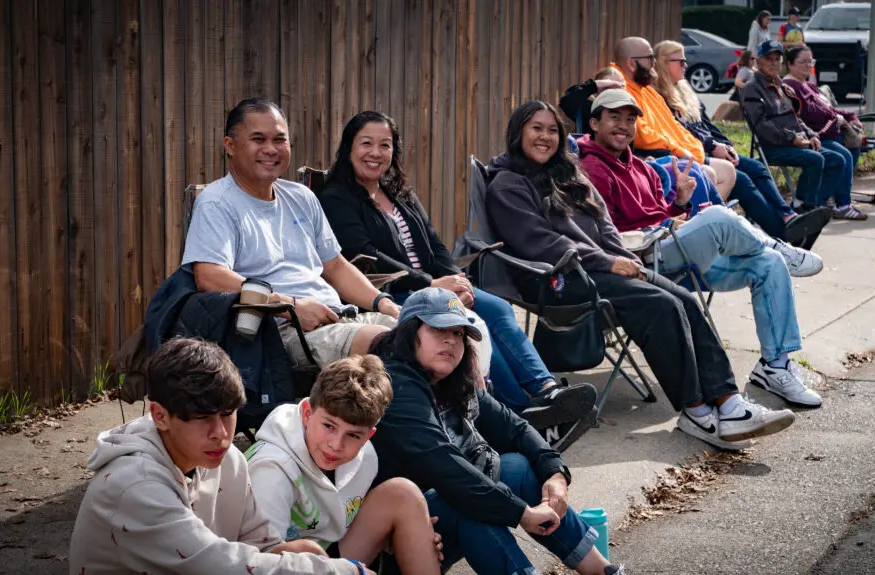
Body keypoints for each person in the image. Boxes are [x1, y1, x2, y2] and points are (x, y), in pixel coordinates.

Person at [486, 100, 799, 450]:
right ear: (518, 133)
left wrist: (624, 260)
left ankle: (729, 403)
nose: (545, 137)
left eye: (552, 130)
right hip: (556, 279)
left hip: (595, 268)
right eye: (536, 128)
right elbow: (541, 242)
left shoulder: (567, 173)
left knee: (683, 299)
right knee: (659, 306)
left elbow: (605, 228)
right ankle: (695, 410)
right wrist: (608, 262)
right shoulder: (507, 184)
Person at [316, 111, 596, 449]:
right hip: (392, 292)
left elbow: (434, 243)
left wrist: (455, 278)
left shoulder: (400, 193)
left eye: (385, 145)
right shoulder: (335, 198)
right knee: (475, 324)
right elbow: (364, 254)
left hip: (437, 286)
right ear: (349, 147)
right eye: (366, 144)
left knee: (497, 308)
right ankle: (519, 412)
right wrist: (430, 285)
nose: (375, 153)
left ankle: (545, 390)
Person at [578, 89, 823, 406]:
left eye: (630, 119)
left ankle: (775, 366)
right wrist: (665, 227)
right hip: (642, 264)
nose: (623, 126)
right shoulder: (592, 170)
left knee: (769, 263)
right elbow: (606, 236)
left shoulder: (637, 165)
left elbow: (658, 215)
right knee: (718, 216)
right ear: (594, 123)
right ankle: (777, 242)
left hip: (673, 255)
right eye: (614, 118)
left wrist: (678, 203)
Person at [369, 287, 626, 575]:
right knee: (469, 503)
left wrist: (555, 472)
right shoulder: (395, 385)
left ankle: (602, 570)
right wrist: (521, 513)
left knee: (516, 466)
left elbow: (515, 428)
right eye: (437, 328)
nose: (450, 340)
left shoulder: (450, 381)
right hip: (397, 543)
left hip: (440, 512)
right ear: (407, 333)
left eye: (458, 333)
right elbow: (443, 466)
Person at [69, 338, 363, 575]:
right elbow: (213, 564)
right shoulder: (134, 484)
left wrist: (286, 552)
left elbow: (257, 543)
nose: (220, 433)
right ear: (160, 415)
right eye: (203, 418)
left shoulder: (228, 459)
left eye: (227, 414)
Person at [182, 98, 402, 373]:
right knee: (390, 345)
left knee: (436, 330)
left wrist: (384, 303)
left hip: (338, 317)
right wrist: (291, 306)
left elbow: (334, 266)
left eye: (279, 140)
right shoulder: (218, 203)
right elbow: (210, 276)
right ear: (230, 146)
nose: (270, 149)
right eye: (258, 139)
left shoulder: (301, 197)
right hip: (280, 333)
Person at [246, 355, 442, 574]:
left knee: (405, 495)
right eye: (329, 426)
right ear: (307, 414)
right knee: (305, 550)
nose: (336, 445)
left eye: (353, 435)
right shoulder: (271, 470)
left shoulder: (365, 456)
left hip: (329, 553)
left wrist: (413, 535)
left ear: (369, 436)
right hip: (283, 564)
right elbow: (259, 563)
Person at [653, 40, 831, 244]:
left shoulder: (685, 90)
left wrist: (725, 144)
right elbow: (680, 132)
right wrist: (713, 146)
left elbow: (708, 126)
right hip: (693, 155)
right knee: (743, 180)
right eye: (681, 61)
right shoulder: (660, 97)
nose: (686, 66)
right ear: (663, 63)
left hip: (714, 149)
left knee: (757, 168)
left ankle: (788, 216)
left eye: (777, 59)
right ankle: (785, 235)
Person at [613, 36, 736, 198]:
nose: (654, 63)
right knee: (708, 174)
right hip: (652, 156)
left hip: (677, 153)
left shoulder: (646, 89)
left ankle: (703, 216)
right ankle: (694, 218)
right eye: (650, 58)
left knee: (728, 171)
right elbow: (643, 136)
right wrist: (682, 151)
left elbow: (673, 125)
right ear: (631, 63)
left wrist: (694, 149)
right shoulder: (620, 89)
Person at [742, 41, 845, 230]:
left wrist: (811, 134)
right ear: (758, 61)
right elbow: (761, 126)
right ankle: (808, 207)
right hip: (772, 147)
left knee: (837, 160)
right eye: (768, 59)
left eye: (777, 59)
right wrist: (791, 138)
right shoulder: (752, 87)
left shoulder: (781, 85)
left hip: (796, 142)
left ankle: (804, 203)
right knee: (815, 159)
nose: (773, 63)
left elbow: (796, 118)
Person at [783, 45, 869, 221]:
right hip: (813, 136)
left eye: (810, 61)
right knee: (842, 155)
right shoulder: (790, 86)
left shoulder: (809, 85)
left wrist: (850, 116)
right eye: (803, 61)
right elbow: (808, 113)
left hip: (829, 134)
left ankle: (834, 198)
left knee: (854, 146)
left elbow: (829, 109)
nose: (808, 65)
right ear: (790, 64)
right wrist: (836, 117)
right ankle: (842, 204)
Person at [559, 67, 626, 136]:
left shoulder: (628, 110)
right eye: (607, 87)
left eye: (618, 88)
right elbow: (567, 100)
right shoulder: (589, 110)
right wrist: (593, 85)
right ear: (596, 90)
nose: (613, 92)